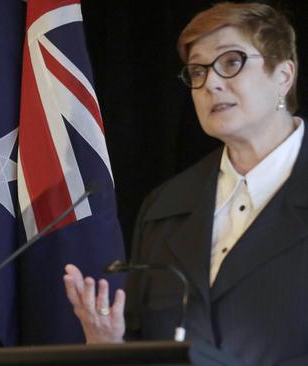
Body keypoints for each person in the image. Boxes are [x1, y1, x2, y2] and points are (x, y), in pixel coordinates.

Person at [64, 2, 308, 365]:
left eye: (231, 62)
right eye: (197, 71)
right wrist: (111, 347)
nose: (210, 83)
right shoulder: (165, 207)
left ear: (283, 76)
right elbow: (146, 342)